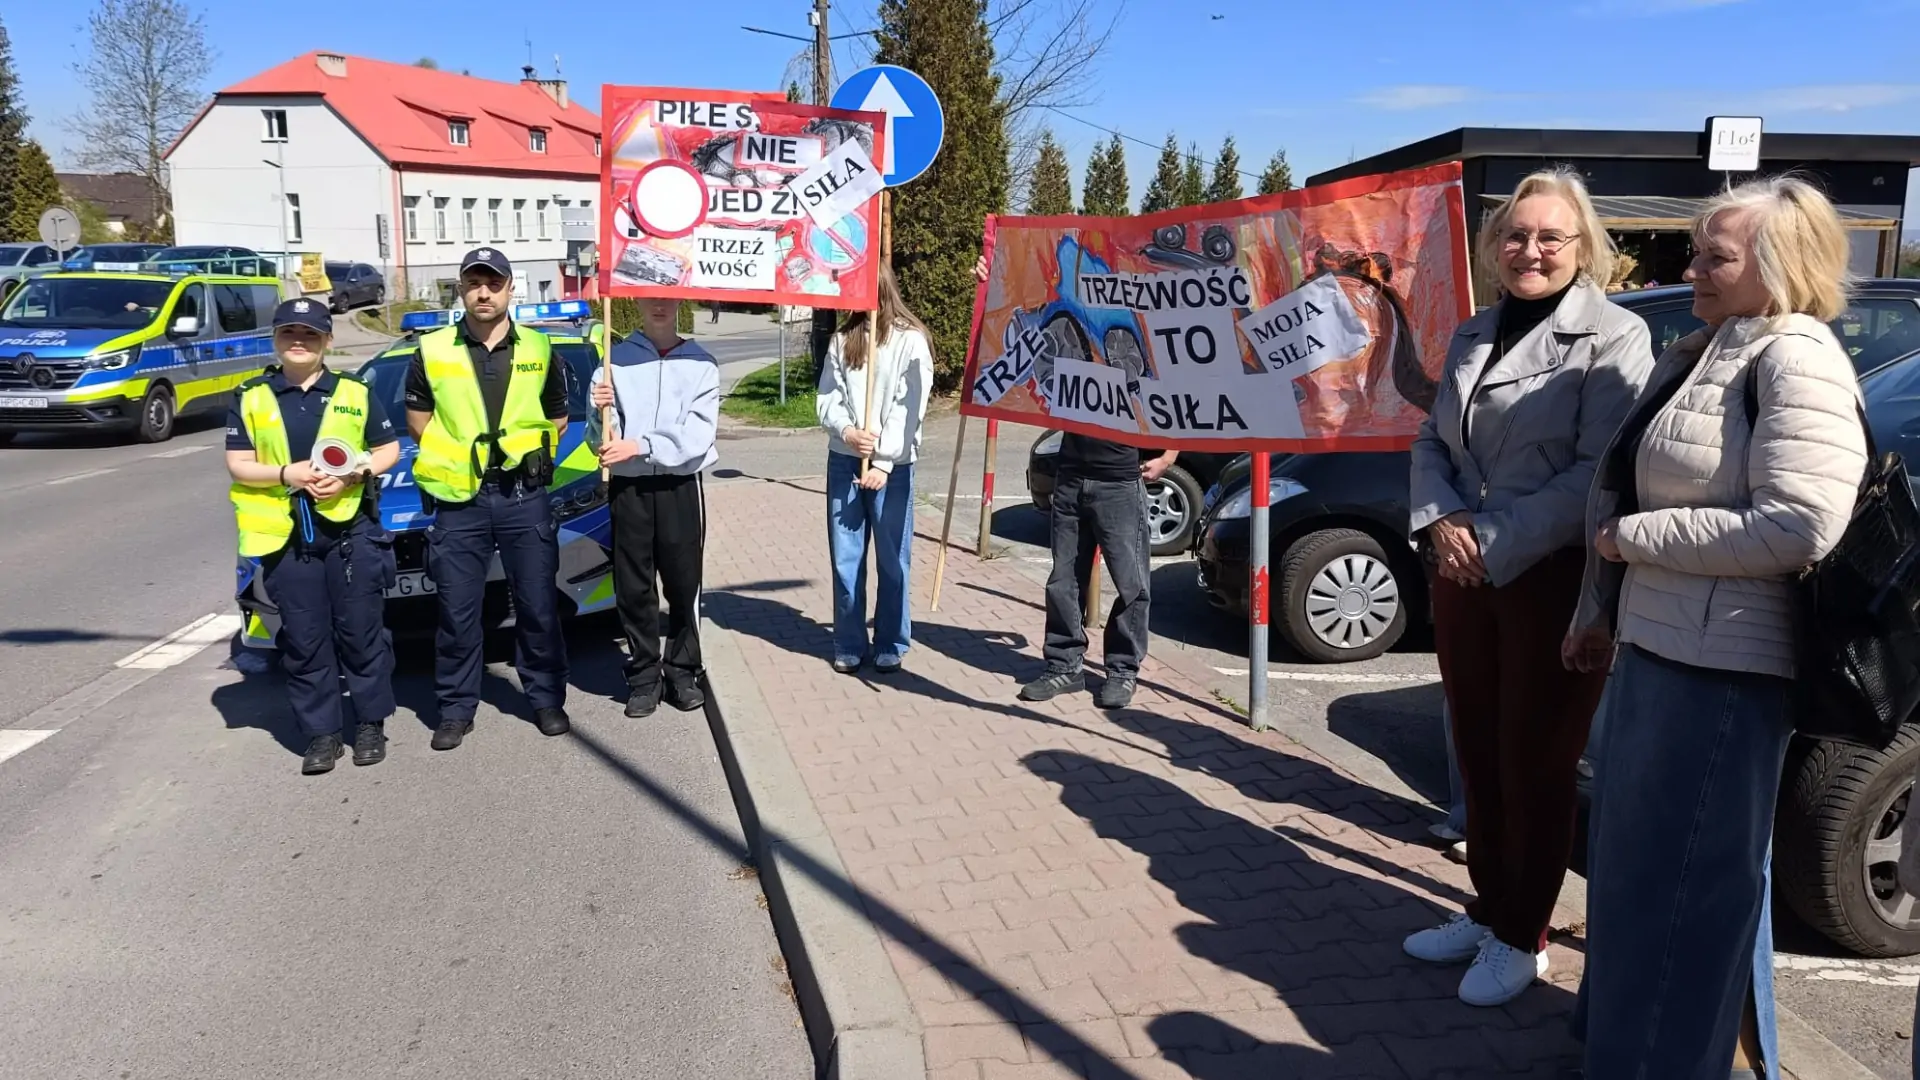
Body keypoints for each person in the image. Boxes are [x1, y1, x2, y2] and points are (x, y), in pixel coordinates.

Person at [1567, 176, 1867, 1079]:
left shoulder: (1796, 356)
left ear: (1779, 265)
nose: (1689, 265)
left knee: (1687, 894)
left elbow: (1801, 524)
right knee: (1632, 875)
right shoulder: (1713, 346)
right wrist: (1603, 608)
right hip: (1661, 646)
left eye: (1714, 255)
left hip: (1725, 669)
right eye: (1697, 250)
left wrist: (1636, 542)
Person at [1402, 167, 1653, 1007]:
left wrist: (1491, 541)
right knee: (1476, 749)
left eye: (1551, 236)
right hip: (1461, 569)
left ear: (1584, 247)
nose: (1530, 250)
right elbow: (1432, 442)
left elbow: (1597, 472)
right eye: (1515, 234)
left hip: (1546, 576)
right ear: (1492, 244)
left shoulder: (1615, 338)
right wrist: (1440, 521)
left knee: (1534, 759)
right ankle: (1488, 908)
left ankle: (1524, 935)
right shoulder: (1475, 331)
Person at [405, 247, 572, 749]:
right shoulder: (432, 350)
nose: (484, 292)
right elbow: (419, 423)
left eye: (493, 283)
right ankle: (456, 709)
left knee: (538, 606)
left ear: (509, 289)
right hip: (461, 500)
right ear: (461, 289)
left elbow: (557, 416)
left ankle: (545, 699)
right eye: (474, 283)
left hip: (524, 495)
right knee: (457, 612)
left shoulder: (541, 350)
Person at [225, 298, 401, 774]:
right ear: (276, 340)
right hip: (287, 538)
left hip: (349, 532)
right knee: (304, 641)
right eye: (288, 333)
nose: (298, 342)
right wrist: (288, 473)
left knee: (363, 634)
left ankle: (370, 723)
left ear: (327, 340)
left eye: (309, 334)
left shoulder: (356, 392)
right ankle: (322, 734)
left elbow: (387, 449)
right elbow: (238, 463)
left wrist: (354, 473)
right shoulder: (251, 396)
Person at [589, 297, 720, 716]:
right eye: (651, 298)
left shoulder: (702, 363)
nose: (659, 305)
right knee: (633, 586)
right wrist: (600, 412)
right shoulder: (615, 362)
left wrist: (642, 445)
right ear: (637, 301)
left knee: (683, 583)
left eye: (668, 297)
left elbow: (698, 435)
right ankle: (645, 674)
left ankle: (683, 669)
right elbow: (602, 441)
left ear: (680, 300)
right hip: (629, 488)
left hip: (679, 485)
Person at [814, 262, 934, 674]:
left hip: (892, 467)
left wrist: (883, 460)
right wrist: (847, 431)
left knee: (892, 558)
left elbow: (910, 405)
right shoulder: (843, 339)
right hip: (845, 458)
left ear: (880, 288)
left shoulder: (910, 341)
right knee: (846, 557)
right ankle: (848, 640)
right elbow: (827, 396)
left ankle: (891, 639)